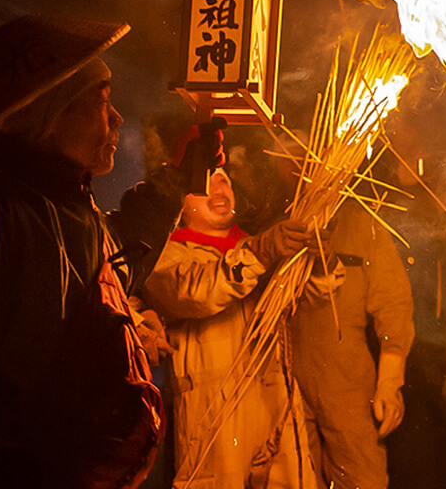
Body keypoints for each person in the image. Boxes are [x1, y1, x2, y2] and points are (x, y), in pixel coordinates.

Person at [0, 15, 167, 488]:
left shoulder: (72, 210)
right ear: (48, 120)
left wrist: (174, 187)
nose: (117, 118)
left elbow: (110, 274)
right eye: (101, 102)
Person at [143, 166, 324, 488]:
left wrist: (319, 258)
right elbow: (195, 291)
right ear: (179, 202)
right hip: (214, 414)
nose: (218, 189)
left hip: (276, 405)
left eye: (223, 179)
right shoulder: (167, 256)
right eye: (204, 183)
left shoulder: (263, 245)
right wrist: (259, 254)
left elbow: (314, 291)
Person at [290, 200, 415, 489]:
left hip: (346, 378)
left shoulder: (363, 225)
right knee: (297, 477)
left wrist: (389, 382)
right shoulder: (282, 224)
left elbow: (393, 304)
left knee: (361, 478)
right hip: (288, 380)